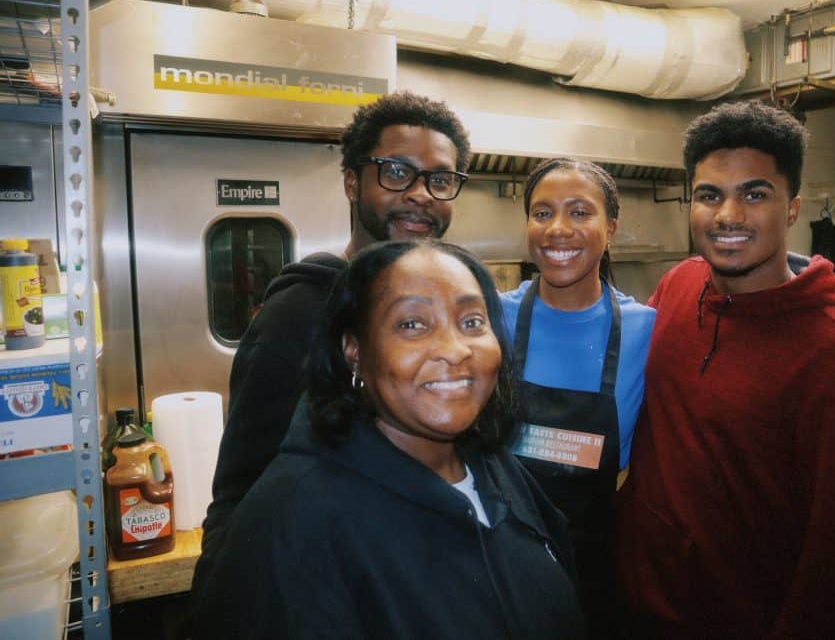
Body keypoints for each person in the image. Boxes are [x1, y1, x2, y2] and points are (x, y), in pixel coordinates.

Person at [191, 240, 585, 639]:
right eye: (412, 324)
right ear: (354, 351)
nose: (454, 350)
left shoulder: (497, 469)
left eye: (471, 322)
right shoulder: (296, 516)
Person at [616, 101, 835, 639]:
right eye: (709, 195)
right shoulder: (677, 286)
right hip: (632, 604)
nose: (728, 215)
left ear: (792, 208)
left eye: (755, 194)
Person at [194, 92, 472, 594]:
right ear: (352, 182)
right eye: (396, 172)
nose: (421, 194)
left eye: (440, 179)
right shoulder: (302, 310)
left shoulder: (441, 319)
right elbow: (243, 488)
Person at [501, 158, 655, 637]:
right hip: (504, 560)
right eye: (542, 213)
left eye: (580, 212)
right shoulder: (490, 320)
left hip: (599, 569)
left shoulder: (647, 330)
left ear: (611, 228)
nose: (558, 229)